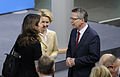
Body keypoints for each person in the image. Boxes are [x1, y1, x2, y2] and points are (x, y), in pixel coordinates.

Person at [66, 8, 100, 77]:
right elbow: (69, 48)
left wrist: (75, 61)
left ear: (82, 20)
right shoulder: (73, 32)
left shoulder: (93, 36)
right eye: (71, 18)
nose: (71, 21)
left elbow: (94, 57)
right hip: (72, 73)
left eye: (74, 19)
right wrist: (68, 58)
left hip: (85, 74)